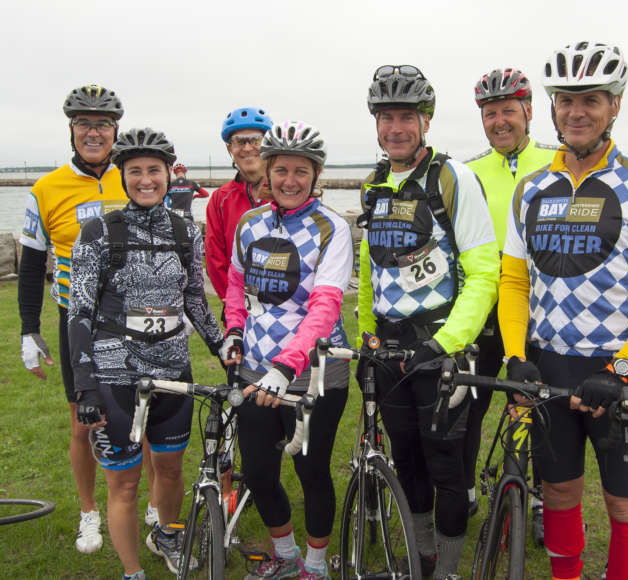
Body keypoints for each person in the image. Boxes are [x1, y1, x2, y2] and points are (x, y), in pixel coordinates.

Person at [498, 42, 628, 580]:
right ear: (552, 107)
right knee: (558, 491)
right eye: (565, 99)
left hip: (616, 368)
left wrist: (621, 368)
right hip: (549, 364)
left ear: (616, 106)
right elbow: (514, 280)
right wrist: (516, 356)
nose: (576, 111)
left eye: (592, 100)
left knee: (625, 503)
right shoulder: (531, 189)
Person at [358, 65, 500, 579]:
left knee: (446, 470)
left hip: (442, 350)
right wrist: (364, 343)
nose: (397, 127)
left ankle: (448, 571)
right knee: (407, 463)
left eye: (407, 117)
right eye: (387, 117)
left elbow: (485, 273)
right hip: (390, 350)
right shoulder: (375, 184)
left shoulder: (453, 178)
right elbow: (371, 273)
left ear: (426, 120)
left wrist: (445, 343)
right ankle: (422, 560)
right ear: (376, 123)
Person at [68, 128, 228, 579]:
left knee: (171, 471)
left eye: (153, 171)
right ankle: (132, 572)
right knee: (124, 483)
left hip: (174, 370)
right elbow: (79, 311)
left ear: (166, 175)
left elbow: (195, 299)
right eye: (134, 171)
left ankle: (168, 536)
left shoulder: (185, 231)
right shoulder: (97, 231)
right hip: (115, 377)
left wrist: (223, 348)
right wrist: (84, 387)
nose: (145, 180)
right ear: (122, 176)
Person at [223, 121, 353, 580]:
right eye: (281, 170)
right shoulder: (249, 223)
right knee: (258, 473)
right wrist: (234, 331)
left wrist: (285, 365)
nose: (290, 180)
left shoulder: (331, 227)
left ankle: (315, 568)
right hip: (256, 371)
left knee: (311, 471)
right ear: (267, 171)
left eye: (301, 171)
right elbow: (236, 285)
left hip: (314, 373)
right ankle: (287, 555)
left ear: (315, 175)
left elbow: (325, 307)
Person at [18, 84, 128, 554]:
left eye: (102, 123)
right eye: (84, 123)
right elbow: (28, 266)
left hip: (132, 317)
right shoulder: (45, 188)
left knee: (136, 411)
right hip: (75, 318)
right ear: (71, 129)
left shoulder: (137, 175)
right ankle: (89, 513)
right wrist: (28, 329)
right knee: (83, 423)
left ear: (115, 130)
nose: (94, 132)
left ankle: (143, 504)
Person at [465, 67, 557, 521]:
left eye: (508, 111)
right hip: (485, 307)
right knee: (472, 403)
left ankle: (537, 497)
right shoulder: (468, 172)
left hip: (541, 307)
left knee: (537, 406)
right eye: (489, 113)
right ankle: (462, 487)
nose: (499, 121)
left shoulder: (558, 162)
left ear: (529, 113)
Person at [205, 107, 273, 322]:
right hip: (238, 310)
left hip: (286, 304)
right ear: (229, 148)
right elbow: (215, 258)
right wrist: (232, 303)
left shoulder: (287, 192)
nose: (247, 148)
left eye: (255, 140)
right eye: (238, 141)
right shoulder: (220, 199)